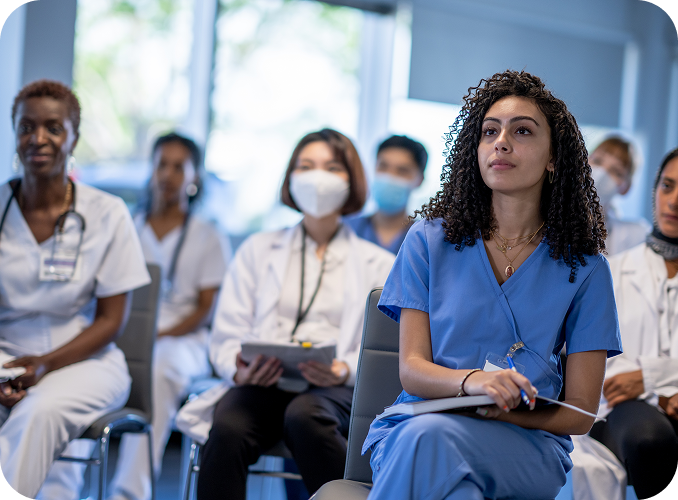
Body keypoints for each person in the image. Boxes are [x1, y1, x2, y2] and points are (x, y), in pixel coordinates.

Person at [362, 70, 622, 500]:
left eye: (522, 131)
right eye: (489, 131)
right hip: (415, 423)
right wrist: (475, 382)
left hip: (524, 445)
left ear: (554, 157)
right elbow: (412, 369)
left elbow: (578, 413)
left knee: (428, 441)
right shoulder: (428, 240)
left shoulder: (586, 270)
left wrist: (497, 413)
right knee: (444, 467)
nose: (501, 141)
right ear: (476, 149)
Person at [176, 128, 395, 500]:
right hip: (264, 383)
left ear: (352, 180)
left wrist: (342, 368)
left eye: (331, 167)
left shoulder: (380, 264)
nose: (317, 177)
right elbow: (227, 332)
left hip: (335, 389)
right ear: (291, 179)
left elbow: (382, 355)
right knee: (228, 427)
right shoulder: (258, 250)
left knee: (306, 415)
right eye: (306, 166)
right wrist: (238, 367)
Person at [0, 80, 150, 499]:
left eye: (53, 127)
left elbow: (111, 320)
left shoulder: (107, 213)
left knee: (38, 411)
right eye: (26, 127)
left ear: (74, 137)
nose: (38, 139)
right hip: (8, 355)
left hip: (86, 361)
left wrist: (45, 365)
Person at [106, 133, 231, 500]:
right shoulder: (128, 225)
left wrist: (156, 337)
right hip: (122, 333)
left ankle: (129, 492)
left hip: (182, 340)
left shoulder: (209, 236)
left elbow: (205, 308)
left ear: (194, 177)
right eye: (162, 164)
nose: (168, 174)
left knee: (159, 369)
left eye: (179, 166)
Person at [582, 147, 678, 499]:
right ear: (654, 191)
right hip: (620, 414)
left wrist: (653, 378)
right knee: (649, 440)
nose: (674, 201)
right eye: (667, 186)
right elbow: (609, 376)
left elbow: (636, 375)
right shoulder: (611, 272)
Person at [346, 135, 427, 253]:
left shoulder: (423, 239)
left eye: (402, 171)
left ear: (420, 180)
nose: (390, 176)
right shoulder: (347, 229)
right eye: (383, 167)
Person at [589, 136, 650, 255]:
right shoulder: (547, 215)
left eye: (616, 171)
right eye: (597, 161)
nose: (602, 173)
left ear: (626, 188)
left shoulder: (638, 236)